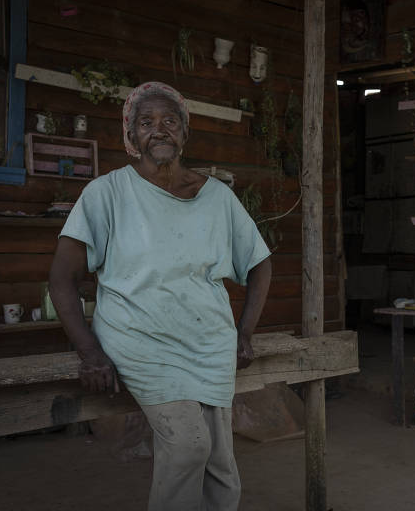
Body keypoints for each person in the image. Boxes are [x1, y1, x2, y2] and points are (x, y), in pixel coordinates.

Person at [49, 81, 272, 511]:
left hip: (210, 342)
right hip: (141, 340)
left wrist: (245, 331)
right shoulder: (107, 193)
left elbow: (260, 262)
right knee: (189, 446)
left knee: (219, 461)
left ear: (185, 133)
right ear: (131, 137)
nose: (159, 130)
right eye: (146, 122)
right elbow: (62, 278)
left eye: (170, 121)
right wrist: (90, 352)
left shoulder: (218, 198)